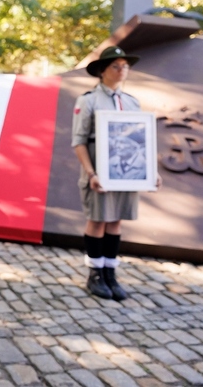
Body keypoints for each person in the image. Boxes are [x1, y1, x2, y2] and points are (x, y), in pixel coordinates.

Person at [72, 46, 161, 301]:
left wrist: (149, 170)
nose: (122, 70)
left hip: (126, 173)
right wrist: (91, 173)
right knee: (98, 219)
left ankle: (110, 272)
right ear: (102, 71)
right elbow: (78, 141)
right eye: (116, 66)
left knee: (115, 220)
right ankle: (95, 274)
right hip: (100, 172)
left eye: (125, 66)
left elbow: (141, 139)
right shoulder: (88, 100)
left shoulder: (132, 102)